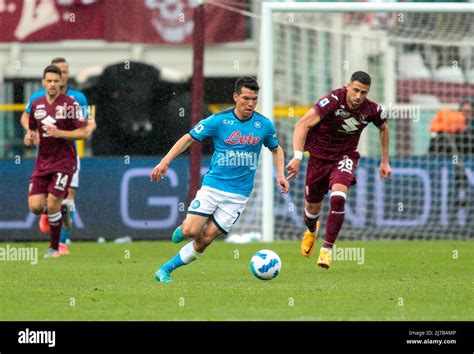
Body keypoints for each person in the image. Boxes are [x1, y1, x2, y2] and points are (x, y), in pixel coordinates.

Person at [150, 77, 290, 282]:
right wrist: (165, 162)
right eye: (246, 98)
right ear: (235, 97)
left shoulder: (264, 125)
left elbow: (276, 150)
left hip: (239, 195)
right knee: (191, 231)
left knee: (205, 240)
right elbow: (189, 138)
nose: (250, 104)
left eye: (254, 99)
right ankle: (184, 228)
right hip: (213, 187)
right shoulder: (218, 120)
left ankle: (164, 270)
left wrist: (280, 174)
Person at [286, 71, 392, 269]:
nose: (358, 96)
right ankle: (311, 230)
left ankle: (326, 251)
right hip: (318, 158)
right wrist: (298, 156)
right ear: (348, 86)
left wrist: (384, 161)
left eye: (363, 92)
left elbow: (384, 128)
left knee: (338, 197)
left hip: (345, 156)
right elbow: (302, 123)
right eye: (355, 90)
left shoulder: (372, 110)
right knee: (311, 211)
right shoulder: (333, 100)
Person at [20, 57, 96, 255]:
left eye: (57, 80)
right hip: (42, 162)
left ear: (63, 79)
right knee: (36, 207)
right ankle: (62, 212)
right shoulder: (37, 103)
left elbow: (84, 132)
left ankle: (55, 247)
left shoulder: (71, 103)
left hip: (65, 162)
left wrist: (60, 133)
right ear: (43, 82)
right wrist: (30, 135)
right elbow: (31, 127)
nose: (53, 84)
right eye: (50, 81)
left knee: (54, 200)